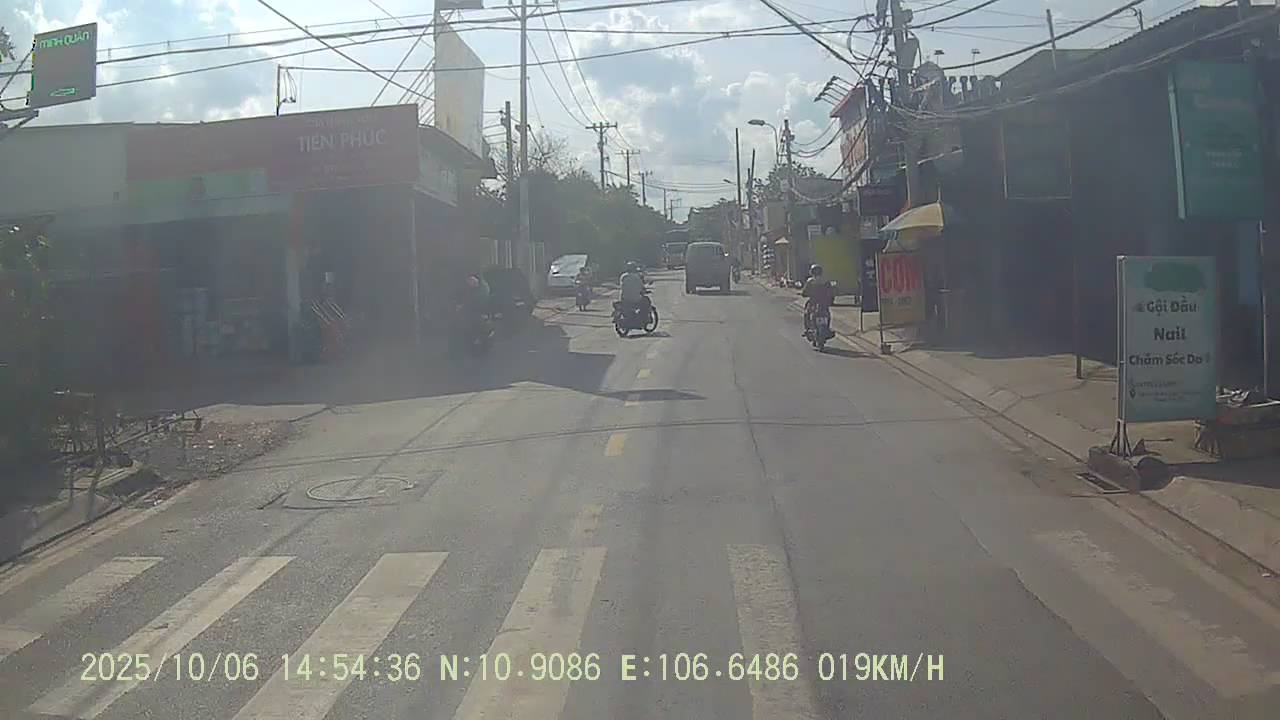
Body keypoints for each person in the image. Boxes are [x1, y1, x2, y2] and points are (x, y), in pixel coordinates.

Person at [801, 264, 835, 333]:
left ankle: (807, 328)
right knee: (827, 313)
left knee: (807, 312)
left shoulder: (810, 281)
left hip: (814, 301)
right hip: (823, 301)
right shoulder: (825, 280)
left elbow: (804, 292)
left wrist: (805, 294)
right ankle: (827, 328)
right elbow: (831, 291)